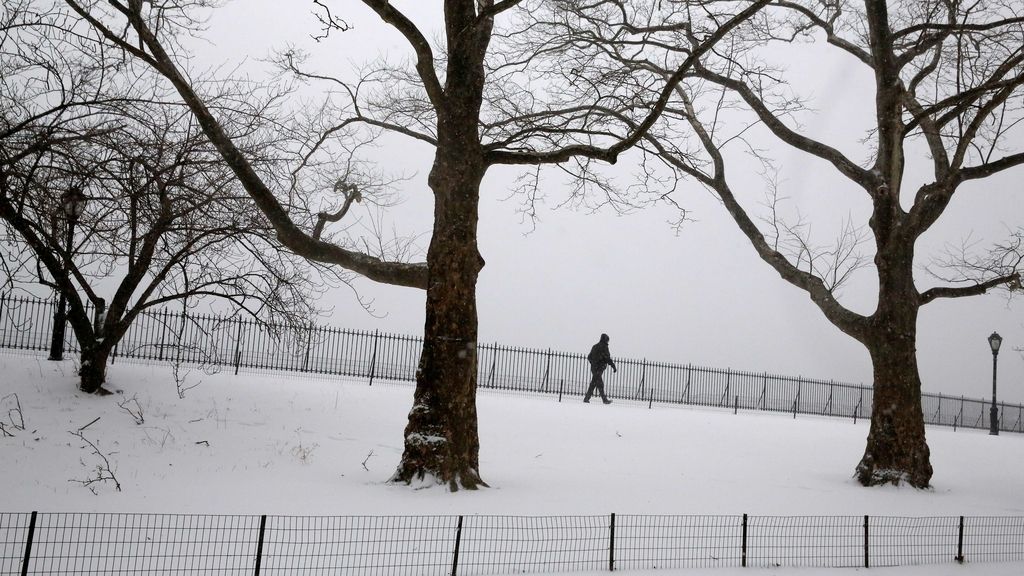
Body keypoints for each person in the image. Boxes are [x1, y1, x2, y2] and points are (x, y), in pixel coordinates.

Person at [584, 333, 616, 404]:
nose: (608, 342)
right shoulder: (604, 347)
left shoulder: (595, 346)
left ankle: (586, 398)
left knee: (594, 383)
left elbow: (589, 357)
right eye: (607, 340)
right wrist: (613, 366)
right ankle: (604, 400)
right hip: (599, 368)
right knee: (600, 384)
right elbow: (607, 358)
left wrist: (593, 363)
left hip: (594, 368)